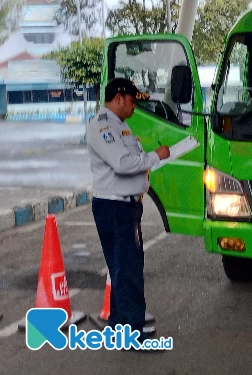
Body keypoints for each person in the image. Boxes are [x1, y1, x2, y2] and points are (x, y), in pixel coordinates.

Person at [87, 78, 170, 343]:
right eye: (132, 101)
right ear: (119, 98)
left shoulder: (120, 125)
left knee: (123, 267)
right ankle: (131, 332)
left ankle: (119, 322)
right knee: (128, 268)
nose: (134, 107)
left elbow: (131, 161)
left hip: (124, 206)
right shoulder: (102, 125)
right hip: (115, 207)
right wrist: (156, 156)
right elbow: (122, 163)